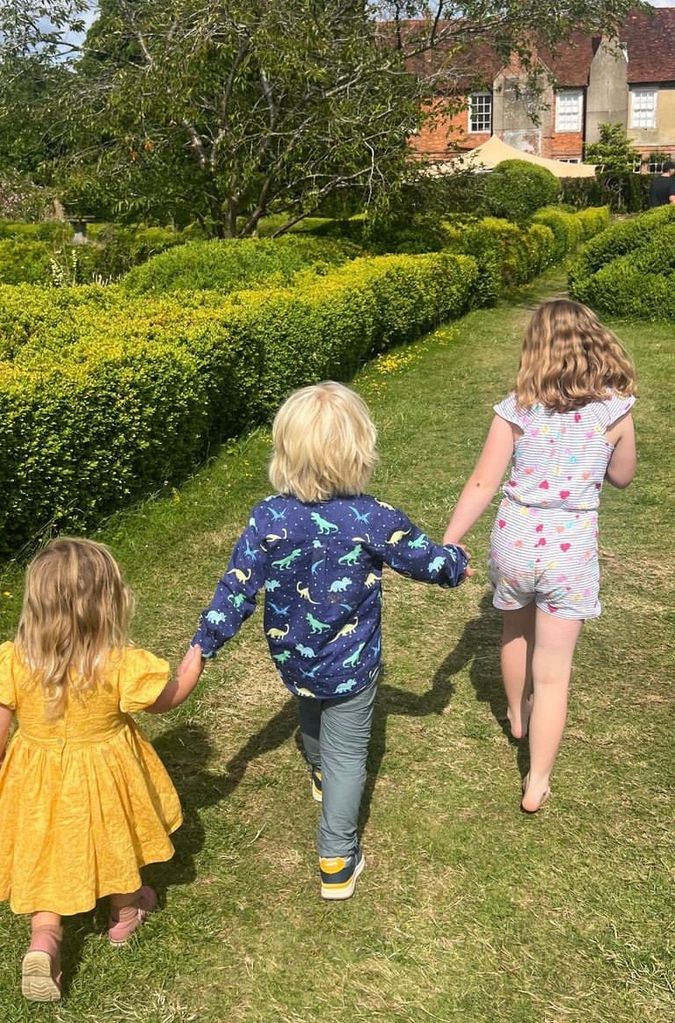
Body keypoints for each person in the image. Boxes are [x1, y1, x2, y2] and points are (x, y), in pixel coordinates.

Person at [189, 381, 470, 900]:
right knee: (349, 755)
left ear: (284, 452)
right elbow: (425, 559)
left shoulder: (268, 517)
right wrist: (456, 565)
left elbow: (237, 588)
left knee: (309, 707)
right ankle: (337, 855)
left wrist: (202, 645)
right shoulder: (373, 517)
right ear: (360, 451)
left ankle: (318, 768)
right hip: (352, 664)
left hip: (293, 657)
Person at [443, 299, 636, 813]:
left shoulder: (517, 407)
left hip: (517, 538)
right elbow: (623, 475)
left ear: (536, 348)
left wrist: (450, 538)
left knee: (513, 631)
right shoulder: (616, 408)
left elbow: (484, 481)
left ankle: (515, 714)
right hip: (569, 549)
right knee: (554, 672)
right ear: (597, 343)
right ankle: (537, 781)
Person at [0, 538, 204, 1003]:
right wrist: (194, 664)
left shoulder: (14, 658)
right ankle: (125, 914)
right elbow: (166, 700)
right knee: (115, 838)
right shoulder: (117, 661)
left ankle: (45, 937)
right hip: (105, 772)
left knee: (44, 846)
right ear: (107, 602)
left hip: (36, 776)